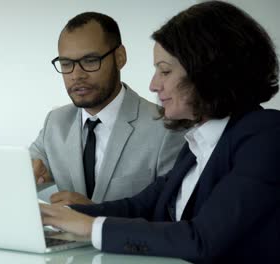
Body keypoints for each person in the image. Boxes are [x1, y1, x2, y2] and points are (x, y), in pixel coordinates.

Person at [40, 2, 280, 263]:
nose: (154, 85)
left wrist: (90, 227)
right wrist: (55, 214)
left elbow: (202, 239)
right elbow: (140, 206)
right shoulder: (198, 142)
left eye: (165, 71)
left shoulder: (267, 136)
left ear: (209, 72)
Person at [30, 12, 185, 205]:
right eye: (66, 63)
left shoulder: (166, 127)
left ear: (120, 57)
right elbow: (23, 171)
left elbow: (173, 217)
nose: (77, 75)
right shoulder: (55, 122)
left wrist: (95, 216)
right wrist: (28, 175)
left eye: (90, 61)